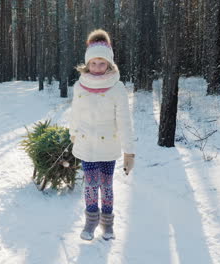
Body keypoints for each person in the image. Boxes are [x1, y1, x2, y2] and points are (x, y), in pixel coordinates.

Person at [69, 29, 136, 241]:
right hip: (86, 147)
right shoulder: (79, 87)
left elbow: (124, 122)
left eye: (102, 63)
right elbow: (75, 113)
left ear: (109, 64)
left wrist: (129, 153)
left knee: (106, 185)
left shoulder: (117, 89)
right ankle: (90, 220)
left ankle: (107, 223)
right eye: (93, 63)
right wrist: (73, 134)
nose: (98, 68)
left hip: (108, 149)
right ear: (87, 64)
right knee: (90, 184)